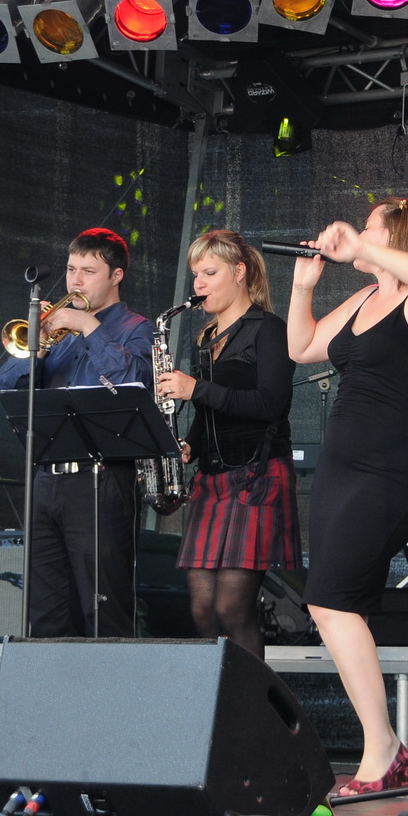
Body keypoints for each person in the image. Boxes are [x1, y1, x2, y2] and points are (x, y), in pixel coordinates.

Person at [287, 198, 408, 798]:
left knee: (331, 598)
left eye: (370, 228)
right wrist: (303, 286)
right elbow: (303, 347)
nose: (359, 235)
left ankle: (383, 748)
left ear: (396, 236)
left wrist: (359, 252)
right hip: (342, 464)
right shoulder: (364, 299)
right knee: (330, 603)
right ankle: (385, 745)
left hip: (390, 468)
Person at [0, 227, 150, 638]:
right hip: (47, 479)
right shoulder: (54, 331)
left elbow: (133, 381)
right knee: (45, 611)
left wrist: (90, 327)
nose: (75, 281)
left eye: (88, 271)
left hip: (101, 480)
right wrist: (39, 346)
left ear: (116, 276)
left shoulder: (137, 328)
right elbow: (7, 389)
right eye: (70, 269)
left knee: (103, 610)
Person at [155, 230, 299, 660]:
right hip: (212, 480)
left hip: (256, 475)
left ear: (239, 272)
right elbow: (207, 416)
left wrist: (196, 388)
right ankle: (216, 708)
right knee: (201, 609)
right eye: (195, 274)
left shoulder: (269, 329)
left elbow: (272, 404)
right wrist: (190, 447)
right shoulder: (205, 337)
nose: (198, 284)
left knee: (232, 608)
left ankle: (253, 715)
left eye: (209, 272)